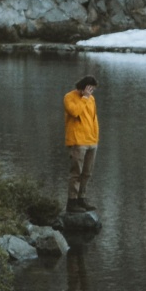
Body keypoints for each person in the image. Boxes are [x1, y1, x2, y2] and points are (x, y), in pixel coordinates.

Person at [63, 72, 99, 210]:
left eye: (93, 90)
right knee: (76, 173)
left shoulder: (91, 99)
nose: (92, 92)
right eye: (90, 89)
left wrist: (96, 138)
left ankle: (81, 199)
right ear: (84, 87)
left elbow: (93, 119)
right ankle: (72, 202)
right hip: (78, 141)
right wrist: (84, 98)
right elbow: (75, 112)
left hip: (91, 141)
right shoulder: (69, 97)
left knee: (87, 173)